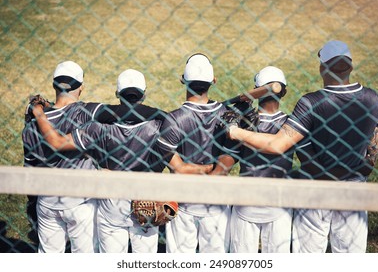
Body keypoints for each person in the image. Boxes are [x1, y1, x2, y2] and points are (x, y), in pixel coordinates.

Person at [222, 40, 378, 253]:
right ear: (351, 67)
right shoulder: (373, 99)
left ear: (322, 68)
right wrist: (357, 170)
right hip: (354, 192)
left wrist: (235, 131)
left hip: (316, 194)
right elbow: (374, 148)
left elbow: (279, 145)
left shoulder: (312, 103)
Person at [31, 68, 212, 253]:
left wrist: (39, 113)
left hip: (111, 205)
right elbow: (179, 167)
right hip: (147, 202)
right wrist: (210, 168)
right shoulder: (159, 128)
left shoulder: (98, 128)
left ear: (117, 94)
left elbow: (58, 142)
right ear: (144, 94)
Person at [22, 61, 165, 253]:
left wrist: (40, 111)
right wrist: (168, 116)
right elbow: (126, 111)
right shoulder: (86, 113)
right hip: (81, 201)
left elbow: (29, 168)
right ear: (81, 87)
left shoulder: (31, 126)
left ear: (54, 85)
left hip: (46, 200)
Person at [149, 53, 230, 253]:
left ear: (182, 80)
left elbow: (177, 168)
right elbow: (229, 159)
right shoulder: (227, 115)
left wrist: (196, 168)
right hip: (217, 202)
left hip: (183, 202)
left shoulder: (174, 119)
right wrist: (212, 168)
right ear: (214, 81)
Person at [212, 66, 293, 253]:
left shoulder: (242, 126)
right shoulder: (291, 125)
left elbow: (224, 168)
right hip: (279, 206)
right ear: (284, 92)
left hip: (246, 205)